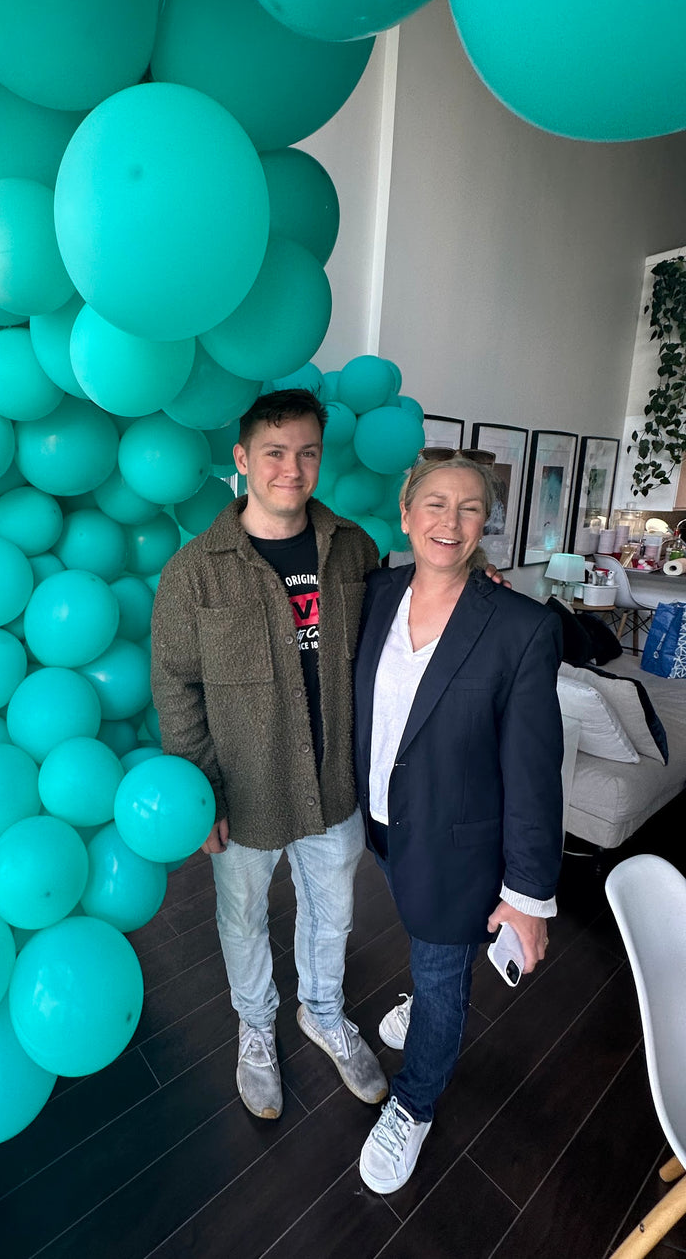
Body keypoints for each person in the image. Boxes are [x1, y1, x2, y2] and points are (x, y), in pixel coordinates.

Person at [150, 388, 388, 1120]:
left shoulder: (355, 548)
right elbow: (176, 685)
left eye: (307, 452)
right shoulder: (195, 571)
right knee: (242, 918)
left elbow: (392, 641)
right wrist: (202, 795)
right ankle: (257, 1028)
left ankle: (322, 1011)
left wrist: (473, 588)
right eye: (276, 452)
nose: (293, 467)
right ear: (244, 459)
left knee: (333, 913)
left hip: (332, 781)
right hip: (244, 789)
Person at [352, 450, 564, 1194]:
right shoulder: (375, 594)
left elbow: (535, 773)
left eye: (470, 506)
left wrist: (530, 895)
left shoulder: (522, 628)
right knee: (425, 932)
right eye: (435, 503)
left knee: (441, 978)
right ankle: (431, 988)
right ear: (407, 515)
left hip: (461, 844)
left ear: (485, 525)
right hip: (384, 825)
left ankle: (416, 1102)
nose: (450, 520)